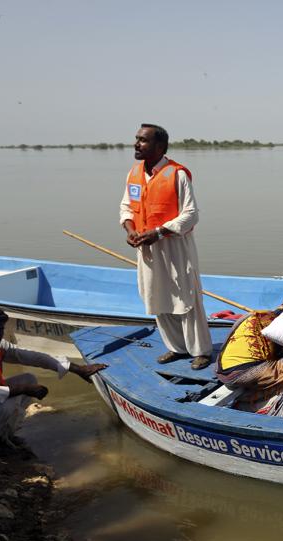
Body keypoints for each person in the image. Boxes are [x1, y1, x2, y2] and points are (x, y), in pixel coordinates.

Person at [0, 308, 107, 452]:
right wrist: (21, 389)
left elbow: (32, 357)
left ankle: (2, 437)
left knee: (28, 379)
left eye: (0, 330)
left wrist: (77, 369)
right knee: (1, 405)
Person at [120, 123, 213, 370]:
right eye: (136, 138)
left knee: (186, 297)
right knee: (156, 294)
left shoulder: (177, 174)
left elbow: (191, 215)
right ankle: (176, 348)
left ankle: (201, 351)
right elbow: (127, 208)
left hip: (174, 246)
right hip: (146, 248)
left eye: (143, 140)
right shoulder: (134, 174)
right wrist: (131, 231)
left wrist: (159, 232)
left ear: (159, 146)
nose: (136, 143)